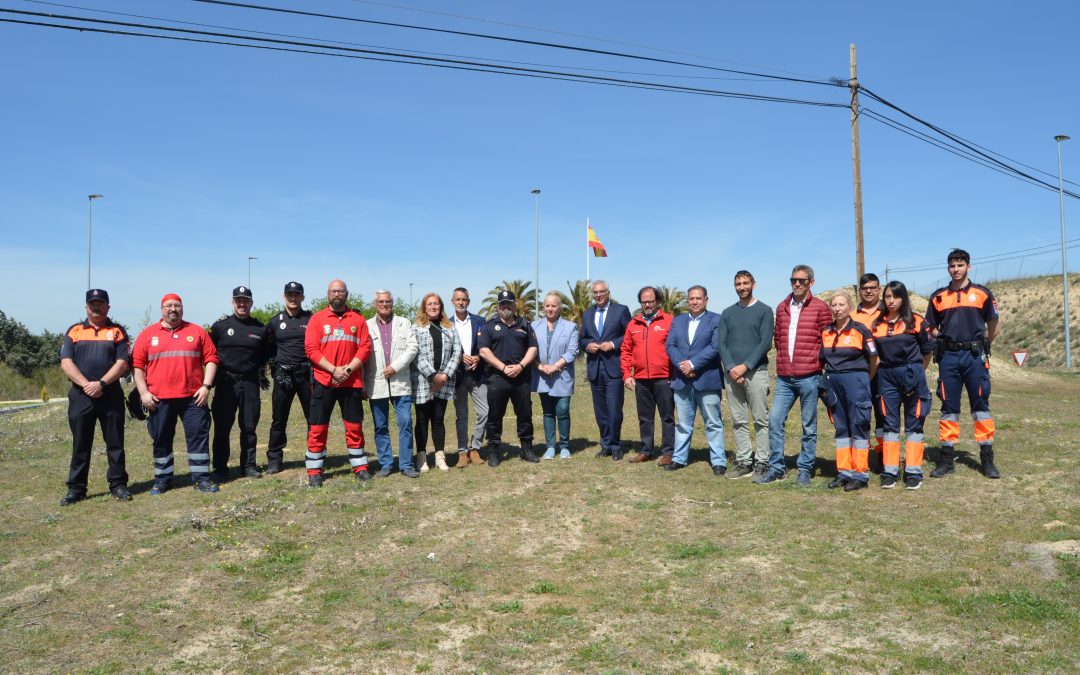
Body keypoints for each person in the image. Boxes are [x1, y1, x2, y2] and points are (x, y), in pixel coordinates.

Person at [131, 293, 220, 494]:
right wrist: (143, 393)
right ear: (162, 309)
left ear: (182, 308)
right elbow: (138, 367)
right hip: (158, 399)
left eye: (177, 306)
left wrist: (206, 386)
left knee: (198, 437)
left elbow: (212, 359)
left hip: (193, 398)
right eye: (169, 306)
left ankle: (202, 479)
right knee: (161, 439)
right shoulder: (147, 334)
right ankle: (162, 480)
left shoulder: (197, 332)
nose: (173, 309)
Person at [926, 249, 1001, 479]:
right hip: (948, 359)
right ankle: (946, 459)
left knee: (981, 407)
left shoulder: (982, 293)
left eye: (960, 265)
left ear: (968, 266)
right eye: (952, 266)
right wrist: (942, 337)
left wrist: (983, 344)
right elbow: (930, 326)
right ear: (948, 268)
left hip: (974, 358)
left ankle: (987, 459)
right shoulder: (938, 296)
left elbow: (994, 323)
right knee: (949, 407)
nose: (955, 269)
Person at [755, 264, 831, 487]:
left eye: (802, 281)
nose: (797, 284)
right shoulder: (782, 307)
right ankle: (777, 467)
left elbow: (826, 341)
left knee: (809, 425)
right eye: (793, 280)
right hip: (785, 378)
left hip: (810, 376)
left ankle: (805, 468)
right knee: (775, 420)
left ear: (811, 283)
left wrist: (817, 364)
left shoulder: (821, 308)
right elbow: (778, 339)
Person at [58, 289, 132, 505]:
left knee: (115, 443)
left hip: (110, 394)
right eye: (92, 304)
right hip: (81, 396)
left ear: (108, 307)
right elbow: (66, 362)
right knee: (81, 443)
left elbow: (122, 363)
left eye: (100, 303)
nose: (96, 307)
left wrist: (100, 384)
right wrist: (86, 385)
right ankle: (76, 488)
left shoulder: (118, 331)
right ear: (86, 307)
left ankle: (118, 485)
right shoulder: (75, 331)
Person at [303, 279, 374, 487]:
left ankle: (360, 468)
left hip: (350, 382)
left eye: (340, 291)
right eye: (333, 291)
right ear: (327, 294)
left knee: (354, 426)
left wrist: (347, 370)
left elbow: (365, 348)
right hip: (323, 380)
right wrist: (334, 370)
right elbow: (311, 349)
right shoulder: (317, 319)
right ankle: (315, 471)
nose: (337, 294)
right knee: (318, 427)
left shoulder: (358, 320)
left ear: (347, 294)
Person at [870, 281, 934, 490]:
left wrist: (916, 373)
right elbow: (875, 356)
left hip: (912, 373)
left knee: (914, 422)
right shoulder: (877, 325)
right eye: (887, 296)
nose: (891, 301)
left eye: (895, 297)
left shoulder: (916, 322)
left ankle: (913, 471)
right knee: (889, 423)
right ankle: (890, 471)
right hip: (886, 377)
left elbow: (927, 353)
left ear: (903, 298)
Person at [717, 271, 774, 480]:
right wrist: (733, 367)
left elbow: (765, 342)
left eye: (745, 283)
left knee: (761, 419)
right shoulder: (727, 312)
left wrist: (745, 367)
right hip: (732, 374)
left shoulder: (764, 311)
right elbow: (721, 344)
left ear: (754, 284)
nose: (742, 287)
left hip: (755, 373)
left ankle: (762, 462)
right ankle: (744, 461)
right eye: (738, 283)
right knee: (738, 420)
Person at [820, 292, 879, 492]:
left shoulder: (861, 330)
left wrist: (864, 379)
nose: (837, 308)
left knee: (859, 424)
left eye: (841, 304)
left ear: (850, 307)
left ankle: (860, 474)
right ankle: (844, 472)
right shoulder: (826, 332)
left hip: (856, 381)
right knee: (841, 427)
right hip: (834, 382)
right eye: (834, 305)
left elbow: (874, 359)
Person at [209, 286, 268, 482]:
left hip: (250, 383)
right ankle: (220, 468)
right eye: (238, 300)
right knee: (222, 428)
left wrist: (261, 372)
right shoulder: (220, 327)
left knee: (249, 426)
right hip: (226, 383)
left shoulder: (260, 328)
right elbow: (209, 353)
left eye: (246, 300)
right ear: (232, 302)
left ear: (251, 303)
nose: (242, 304)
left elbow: (266, 354)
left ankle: (248, 466)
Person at [665, 285, 726, 474]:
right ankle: (679, 458)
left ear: (706, 300)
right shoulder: (678, 320)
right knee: (683, 423)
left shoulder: (716, 319)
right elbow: (670, 345)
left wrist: (692, 364)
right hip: (682, 381)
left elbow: (715, 347)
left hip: (707, 379)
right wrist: (683, 365)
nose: (694, 302)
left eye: (698, 298)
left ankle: (718, 461)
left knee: (713, 422)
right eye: (691, 298)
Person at [477, 290, 539, 466]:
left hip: (521, 378)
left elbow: (533, 348)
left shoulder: (525, 324)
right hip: (498, 378)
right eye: (503, 304)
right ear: (498, 306)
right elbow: (483, 351)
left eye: (509, 303)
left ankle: (526, 448)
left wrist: (520, 366)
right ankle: (494, 450)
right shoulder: (488, 326)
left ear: (514, 305)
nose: (506, 306)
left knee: (525, 414)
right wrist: (503, 367)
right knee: (495, 416)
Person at [364, 290, 419, 478]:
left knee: (405, 423)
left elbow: (413, 348)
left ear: (392, 303)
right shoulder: (366, 325)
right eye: (381, 301)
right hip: (376, 383)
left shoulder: (404, 323)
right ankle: (386, 464)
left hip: (400, 381)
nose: (384, 304)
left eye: (388, 301)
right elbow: (362, 354)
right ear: (375, 304)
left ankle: (406, 464)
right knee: (380, 426)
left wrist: (395, 367)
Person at [621, 286, 676, 465]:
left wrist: (674, 374)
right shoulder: (633, 324)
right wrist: (627, 374)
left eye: (650, 301)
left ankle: (668, 452)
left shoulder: (668, 321)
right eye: (644, 302)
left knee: (667, 416)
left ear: (657, 302)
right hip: (642, 379)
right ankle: (646, 450)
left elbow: (676, 348)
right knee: (644, 417)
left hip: (664, 378)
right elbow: (626, 350)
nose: (647, 304)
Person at [579, 280, 631, 460]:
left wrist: (614, 343)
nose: (599, 295)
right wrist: (588, 345)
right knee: (600, 411)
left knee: (615, 410)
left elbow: (629, 335)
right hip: (594, 369)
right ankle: (606, 444)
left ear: (608, 292)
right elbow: (582, 338)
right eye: (595, 293)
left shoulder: (621, 310)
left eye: (602, 292)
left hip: (614, 368)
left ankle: (616, 445)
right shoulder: (587, 314)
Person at [411, 292, 462, 472]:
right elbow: (414, 353)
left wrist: (445, 375)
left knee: (439, 419)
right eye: (430, 304)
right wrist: (433, 375)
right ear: (424, 307)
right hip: (423, 381)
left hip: (445, 381)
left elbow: (457, 351)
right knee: (422, 419)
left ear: (441, 307)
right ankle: (422, 457)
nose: (433, 307)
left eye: (436, 304)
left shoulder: (450, 328)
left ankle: (440, 456)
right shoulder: (416, 327)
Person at [265, 281, 312, 475]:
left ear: (302, 297)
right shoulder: (275, 322)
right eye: (289, 295)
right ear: (284, 297)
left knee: (313, 419)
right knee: (279, 419)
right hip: (283, 376)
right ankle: (275, 459)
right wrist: (274, 370)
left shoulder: (311, 319)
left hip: (306, 374)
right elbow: (268, 349)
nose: (293, 298)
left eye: (297, 295)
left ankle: (315, 456)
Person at [531, 292, 580, 459]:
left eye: (554, 305)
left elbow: (573, 350)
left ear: (560, 307)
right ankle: (550, 446)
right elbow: (530, 350)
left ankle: (565, 446)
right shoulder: (534, 326)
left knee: (563, 410)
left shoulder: (570, 327)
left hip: (562, 375)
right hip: (542, 375)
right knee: (548, 412)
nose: (550, 309)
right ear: (543, 307)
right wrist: (539, 366)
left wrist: (555, 366)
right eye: (547, 306)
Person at [450, 287, 488, 468]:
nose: (461, 302)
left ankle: (475, 447)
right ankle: (462, 451)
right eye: (457, 299)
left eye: (464, 299)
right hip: (457, 377)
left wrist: (479, 357)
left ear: (468, 301)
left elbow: (487, 345)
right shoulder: (447, 325)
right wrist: (458, 357)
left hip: (477, 375)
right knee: (461, 415)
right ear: (452, 301)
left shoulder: (480, 321)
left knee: (484, 412)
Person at [851, 272, 885, 470]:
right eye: (865, 288)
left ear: (879, 289)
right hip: (860, 373)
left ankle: (882, 455)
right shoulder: (852, 316)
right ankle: (861, 457)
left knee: (882, 415)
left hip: (884, 373)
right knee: (860, 416)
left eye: (873, 287)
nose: (869, 291)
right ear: (859, 291)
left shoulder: (887, 312)